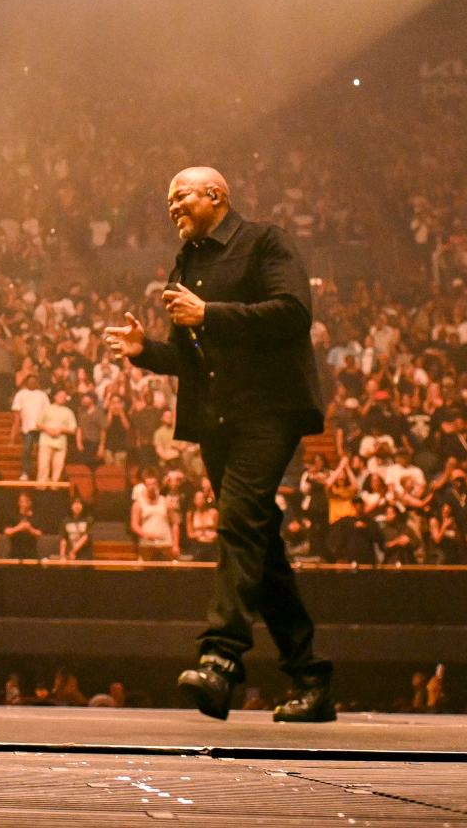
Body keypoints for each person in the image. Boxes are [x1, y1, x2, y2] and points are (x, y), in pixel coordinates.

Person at [104, 165, 334, 723]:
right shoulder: (190, 262)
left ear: (215, 195)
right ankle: (309, 678)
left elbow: (294, 312)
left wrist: (211, 313)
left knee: (237, 520)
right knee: (258, 540)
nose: (171, 207)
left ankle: (221, 659)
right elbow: (192, 357)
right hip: (216, 417)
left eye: (179, 196)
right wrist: (146, 352)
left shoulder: (265, 241)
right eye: (168, 200)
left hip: (268, 410)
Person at [2, 491, 43, 559]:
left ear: (29, 502)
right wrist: (19, 527)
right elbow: (7, 532)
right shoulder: (13, 516)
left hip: (32, 555)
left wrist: (30, 528)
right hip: (15, 554)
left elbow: (39, 534)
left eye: (24, 501)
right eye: (21, 501)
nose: (22, 503)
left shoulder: (36, 517)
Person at [61, 496, 93, 561]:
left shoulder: (88, 519)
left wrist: (73, 551)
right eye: (75, 504)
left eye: (79, 504)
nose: (77, 506)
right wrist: (62, 556)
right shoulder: (66, 521)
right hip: (70, 555)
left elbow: (86, 537)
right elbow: (63, 539)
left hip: (85, 555)